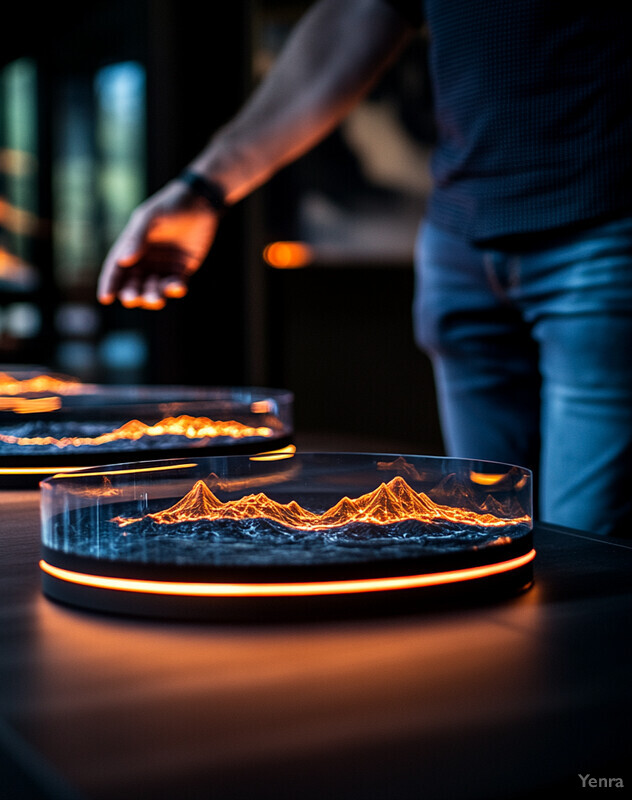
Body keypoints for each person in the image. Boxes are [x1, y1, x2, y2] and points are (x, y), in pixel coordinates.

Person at [97, 0, 632, 537]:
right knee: (488, 540)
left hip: (604, 217)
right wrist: (204, 190)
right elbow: (358, 12)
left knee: (583, 554)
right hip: (459, 235)